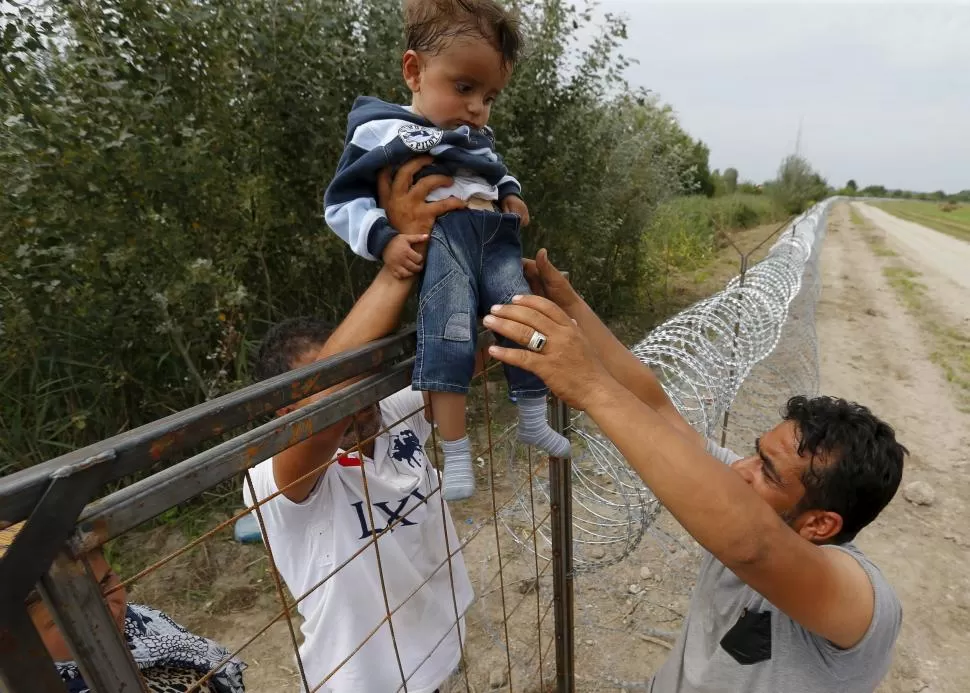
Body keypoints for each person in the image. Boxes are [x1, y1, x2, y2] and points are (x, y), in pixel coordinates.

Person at [482, 251, 907, 692]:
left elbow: (755, 546)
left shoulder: (862, 605)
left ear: (820, 525)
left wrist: (590, 387)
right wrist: (569, 305)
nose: (739, 470)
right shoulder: (744, 490)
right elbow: (655, 408)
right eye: (755, 454)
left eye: (767, 471)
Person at [322, 0, 570, 502]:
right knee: (449, 335)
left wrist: (511, 193)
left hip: (496, 236)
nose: (477, 107)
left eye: (489, 96)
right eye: (464, 87)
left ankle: (531, 415)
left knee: (523, 318)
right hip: (447, 240)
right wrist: (384, 239)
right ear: (414, 72)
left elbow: (493, 167)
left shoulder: (474, 134)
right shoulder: (383, 130)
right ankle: (455, 452)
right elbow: (343, 201)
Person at [243, 159, 474, 693]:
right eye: (334, 386)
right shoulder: (274, 481)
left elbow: (464, 357)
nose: (355, 400)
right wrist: (398, 262)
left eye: (360, 374)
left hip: (435, 645)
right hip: (363, 680)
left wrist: (471, 254)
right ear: (283, 413)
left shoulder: (393, 411)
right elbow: (326, 406)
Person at [0, 522, 245, 693]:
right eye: (72, 614)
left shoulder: (145, 621)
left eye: (106, 582)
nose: (113, 611)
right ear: (16, 635)